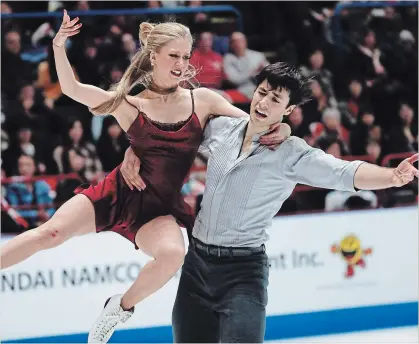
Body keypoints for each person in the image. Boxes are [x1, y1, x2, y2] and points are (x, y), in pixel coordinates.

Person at [0, 11, 291, 344]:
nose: (182, 63)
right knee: (49, 232)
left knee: (172, 254)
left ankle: (118, 308)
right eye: (173, 56)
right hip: (117, 193)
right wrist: (58, 45)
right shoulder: (131, 105)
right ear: (153, 56)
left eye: (185, 56)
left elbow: (253, 125)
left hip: (159, 207)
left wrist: (283, 124)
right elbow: (71, 88)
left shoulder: (204, 100)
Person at [121, 62, 418, 343]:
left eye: (275, 99)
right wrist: (134, 151)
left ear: (288, 109)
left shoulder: (291, 154)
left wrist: (391, 176)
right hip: (196, 266)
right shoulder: (221, 129)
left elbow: (343, 172)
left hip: (243, 272)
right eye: (262, 93)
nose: (263, 103)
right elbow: (172, 136)